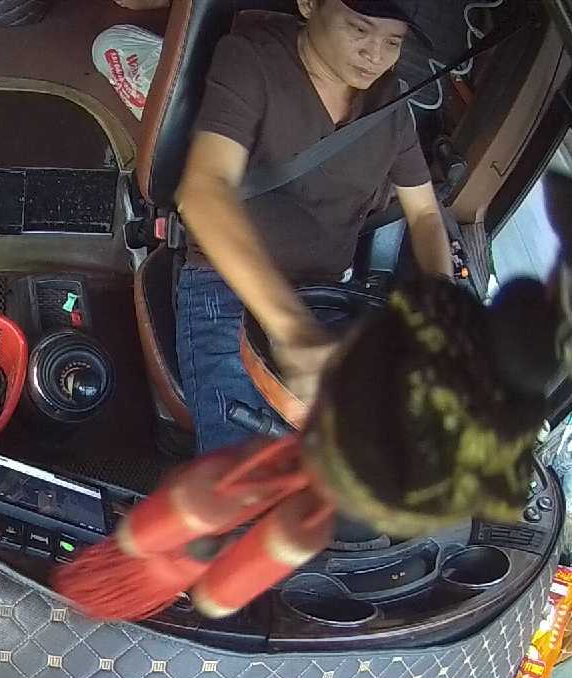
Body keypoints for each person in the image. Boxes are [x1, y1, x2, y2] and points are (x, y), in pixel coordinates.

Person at [174, 0, 451, 453]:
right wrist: (293, 330)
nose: (374, 55)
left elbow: (424, 214)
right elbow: (204, 189)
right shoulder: (251, 59)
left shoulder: (390, 106)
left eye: (393, 42)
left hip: (327, 295)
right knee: (247, 476)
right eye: (359, 29)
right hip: (227, 285)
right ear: (309, 4)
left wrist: (441, 297)